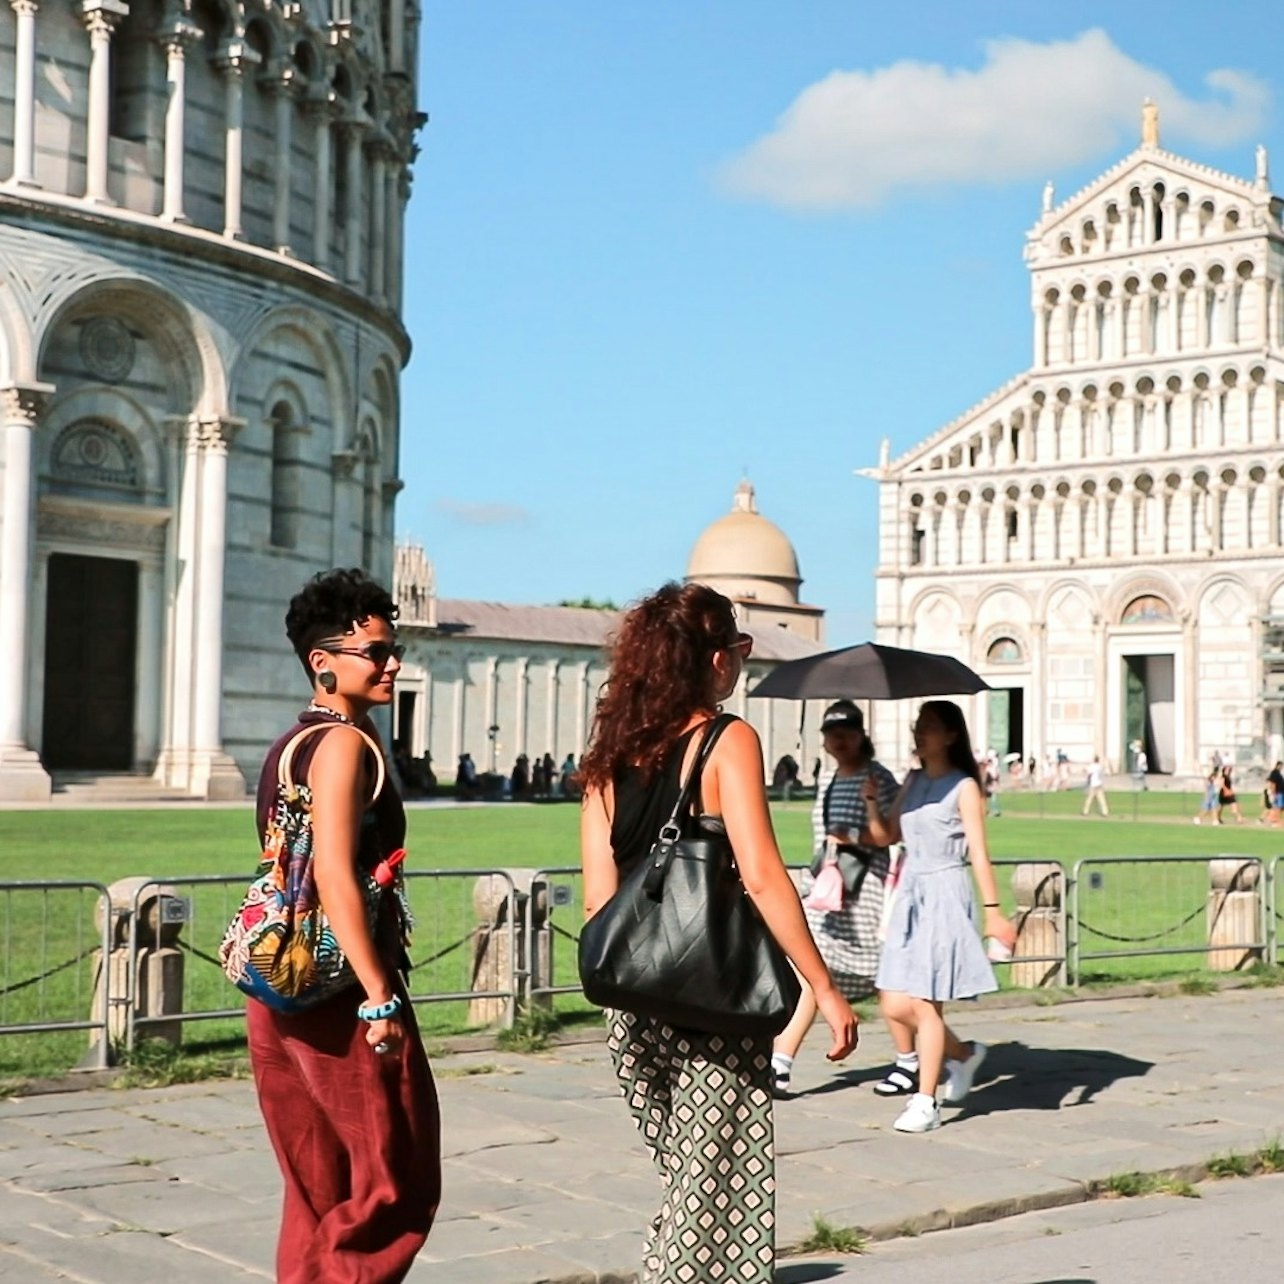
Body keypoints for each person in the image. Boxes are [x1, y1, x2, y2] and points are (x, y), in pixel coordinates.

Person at [579, 582, 858, 1283]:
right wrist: (822, 988)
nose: (741, 661)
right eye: (737, 648)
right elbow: (763, 875)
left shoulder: (609, 754)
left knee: (688, 1177)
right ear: (710, 660)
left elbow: (596, 902)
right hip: (712, 992)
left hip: (631, 1002)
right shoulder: (727, 739)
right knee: (715, 1184)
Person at [246, 568, 440, 1282]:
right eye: (377, 652)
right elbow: (333, 873)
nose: (393, 664)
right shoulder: (347, 746)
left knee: (315, 1188)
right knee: (397, 1177)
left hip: (276, 984)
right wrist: (379, 997)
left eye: (393, 650)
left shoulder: (288, 745)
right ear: (322, 661)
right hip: (340, 993)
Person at [864, 701, 1017, 1134]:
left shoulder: (964, 787)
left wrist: (993, 914)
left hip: (946, 890)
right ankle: (965, 1056)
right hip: (910, 890)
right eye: (918, 727)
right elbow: (887, 835)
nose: (920, 734)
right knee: (894, 1002)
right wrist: (874, 802)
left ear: (951, 735)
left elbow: (979, 854)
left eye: (929, 727)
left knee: (925, 1001)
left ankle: (926, 1101)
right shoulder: (911, 781)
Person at [771, 701, 897, 1097]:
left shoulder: (878, 778)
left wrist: (855, 834)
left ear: (861, 736)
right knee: (810, 970)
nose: (838, 742)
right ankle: (780, 1062)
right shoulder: (827, 778)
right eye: (831, 735)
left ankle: (937, 1054)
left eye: (846, 733)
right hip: (827, 890)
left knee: (890, 985)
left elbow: (889, 836)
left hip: (863, 893)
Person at [1266, 762, 1284, 827]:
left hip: (1281, 792)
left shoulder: (1278, 773)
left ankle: (1272, 819)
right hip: (1278, 793)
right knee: (1278, 807)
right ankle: (1276, 821)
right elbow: (1273, 784)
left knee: (1280, 807)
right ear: (1278, 765)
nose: (1282, 767)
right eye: (1281, 766)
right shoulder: (1274, 773)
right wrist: (1274, 793)